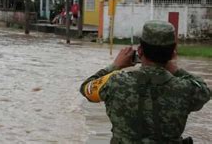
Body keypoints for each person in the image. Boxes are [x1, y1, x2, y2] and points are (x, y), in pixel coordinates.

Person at [80, 20, 210, 143]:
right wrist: (175, 69)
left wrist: (115, 66)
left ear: (140, 51)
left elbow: (87, 88)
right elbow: (205, 90)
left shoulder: (115, 83)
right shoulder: (186, 89)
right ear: (173, 53)